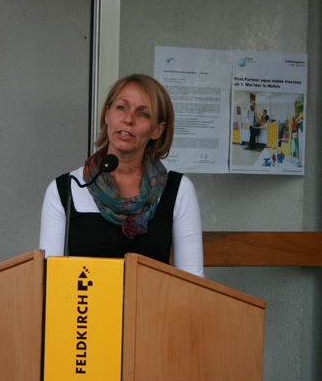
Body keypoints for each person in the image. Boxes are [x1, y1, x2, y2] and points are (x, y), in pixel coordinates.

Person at [39, 73, 204, 277]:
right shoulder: (67, 188)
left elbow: (192, 281)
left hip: (151, 299)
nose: (128, 119)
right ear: (107, 114)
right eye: (121, 108)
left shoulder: (178, 190)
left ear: (157, 130)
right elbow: (48, 278)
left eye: (143, 114)